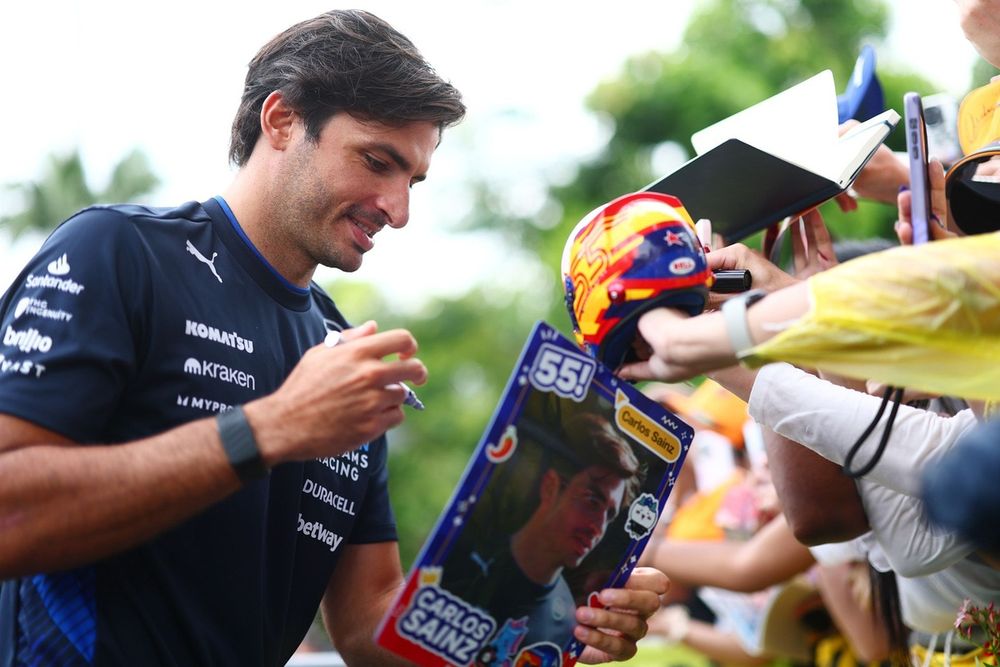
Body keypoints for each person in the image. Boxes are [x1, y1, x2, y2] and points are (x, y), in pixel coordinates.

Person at [0, 10, 666, 666]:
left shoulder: (344, 351)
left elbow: (365, 623)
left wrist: (549, 623)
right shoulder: (119, 252)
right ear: (283, 120)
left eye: (412, 179)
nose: (399, 209)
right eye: (377, 161)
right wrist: (268, 428)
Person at [441, 414, 645, 650]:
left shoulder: (571, 622)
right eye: (592, 501)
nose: (598, 527)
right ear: (550, 486)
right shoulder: (456, 559)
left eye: (610, 514)